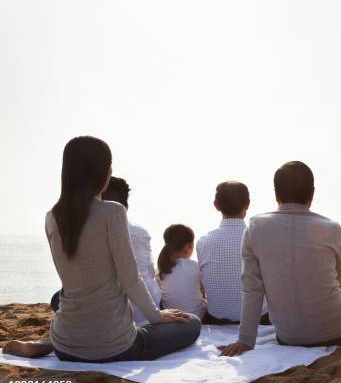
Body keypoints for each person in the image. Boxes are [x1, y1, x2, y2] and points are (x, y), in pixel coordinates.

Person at [3, 136, 201, 362]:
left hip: (65, 344)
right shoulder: (113, 212)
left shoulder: (52, 217)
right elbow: (130, 280)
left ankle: (46, 344)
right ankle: (47, 344)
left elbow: (69, 279)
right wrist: (156, 316)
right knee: (192, 323)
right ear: (101, 173)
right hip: (114, 346)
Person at [219, 161, 341, 357]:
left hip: (289, 337)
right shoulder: (332, 227)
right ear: (312, 194)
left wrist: (246, 340)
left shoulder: (255, 227)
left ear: (276, 194)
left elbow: (252, 288)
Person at [196, 181, 270, 325]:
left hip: (216, 319)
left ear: (216, 205)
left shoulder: (203, 242)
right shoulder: (261, 239)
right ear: (247, 204)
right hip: (258, 319)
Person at [101, 177, 162, 325]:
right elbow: (148, 274)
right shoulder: (140, 232)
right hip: (145, 313)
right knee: (191, 323)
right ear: (126, 206)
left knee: (59, 297)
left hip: (113, 317)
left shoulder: (91, 235)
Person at [158, 224, 206, 320]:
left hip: (171, 317)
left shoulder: (162, 268)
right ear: (189, 245)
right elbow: (203, 290)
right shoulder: (195, 266)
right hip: (197, 316)